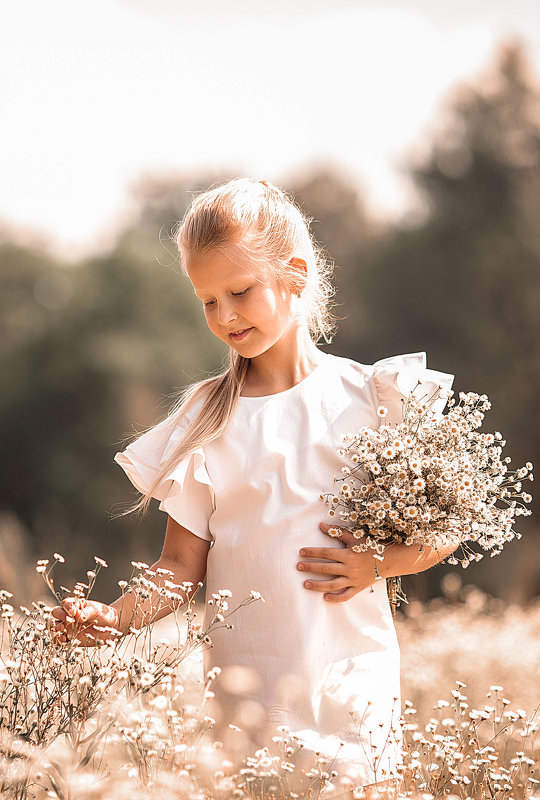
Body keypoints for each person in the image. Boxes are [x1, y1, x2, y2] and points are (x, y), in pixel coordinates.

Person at [49, 178, 455, 799]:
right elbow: (180, 566)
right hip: (251, 694)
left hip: (354, 677)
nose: (225, 317)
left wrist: (381, 563)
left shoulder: (375, 397)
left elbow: (446, 530)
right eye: (207, 301)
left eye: (240, 292)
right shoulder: (210, 417)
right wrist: (112, 618)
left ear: (294, 274)